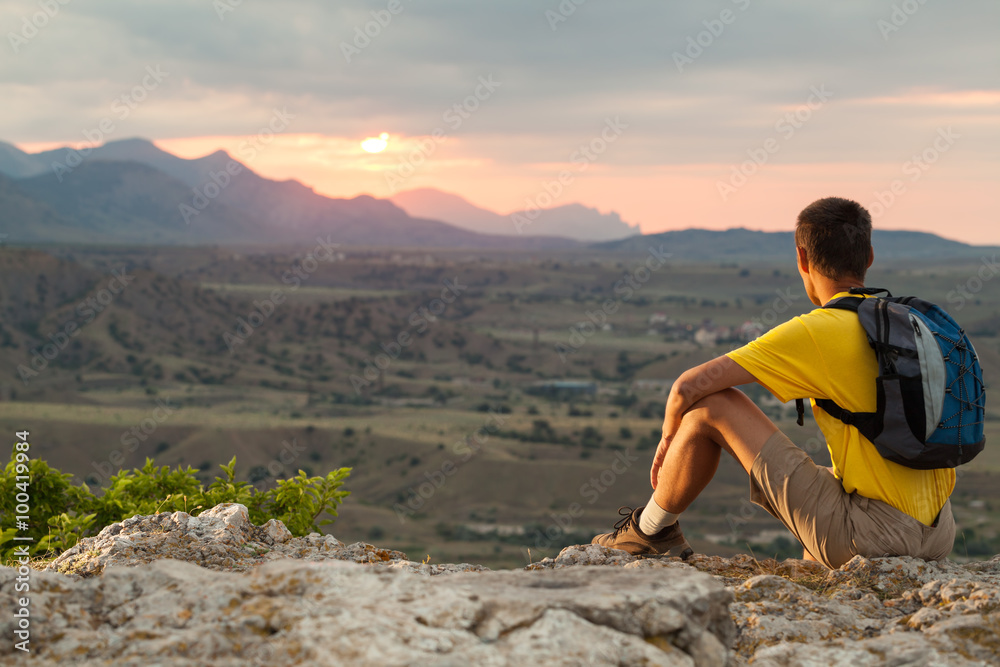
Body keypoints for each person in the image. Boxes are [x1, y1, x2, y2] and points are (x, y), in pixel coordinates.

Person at [592, 197, 956, 568]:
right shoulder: (910, 322)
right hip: (939, 532)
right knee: (829, 476)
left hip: (873, 536)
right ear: (870, 257)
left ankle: (651, 530)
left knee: (712, 407)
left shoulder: (821, 329)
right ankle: (819, 563)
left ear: (802, 259)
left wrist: (668, 440)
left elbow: (687, 387)